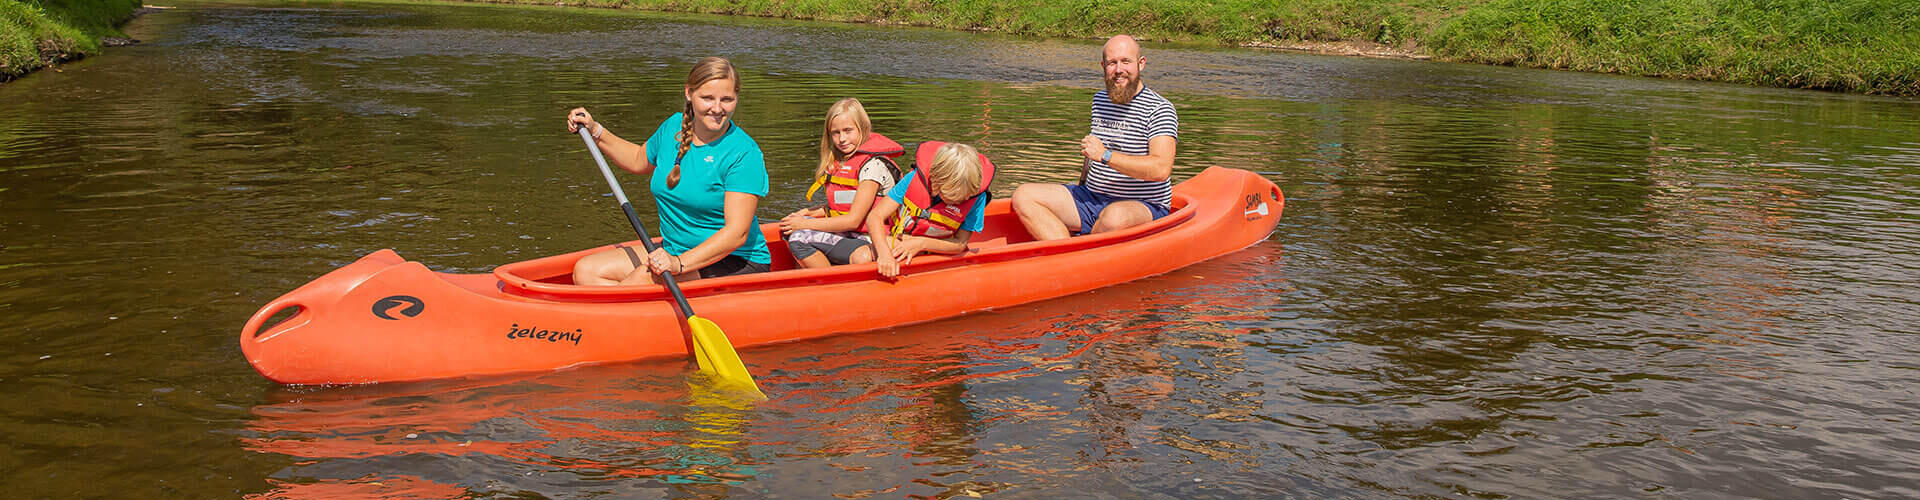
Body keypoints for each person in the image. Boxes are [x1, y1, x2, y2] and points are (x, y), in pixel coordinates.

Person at [563, 57, 772, 286]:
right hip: (675, 249)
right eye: (707, 98)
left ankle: (619, 316)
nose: (717, 108)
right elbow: (637, 160)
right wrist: (595, 131)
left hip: (733, 260)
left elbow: (737, 234)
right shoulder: (674, 126)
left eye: (727, 99)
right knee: (586, 271)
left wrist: (679, 264)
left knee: (634, 285)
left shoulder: (744, 153)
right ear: (689, 93)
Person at [1010, 34, 1178, 241]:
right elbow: (1092, 154)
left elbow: (1161, 169)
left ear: (1141, 64)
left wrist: (1106, 155)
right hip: (1092, 197)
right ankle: (1065, 254)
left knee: (1113, 218)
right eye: (1112, 63)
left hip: (1142, 204)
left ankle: (1077, 252)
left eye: (1126, 62)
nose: (1118, 70)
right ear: (1103, 66)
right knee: (1024, 195)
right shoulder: (1100, 100)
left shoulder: (1160, 109)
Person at [779, 98, 905, 268]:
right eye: (835, 133)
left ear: (863, 128)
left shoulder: (872, 166)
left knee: (799, 237)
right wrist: (806, 213)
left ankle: (830, 284)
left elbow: (853, 220)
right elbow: (843, 204)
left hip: (874, 237)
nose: (842, 139)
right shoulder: (842, 161)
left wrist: (803, 223)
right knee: (788, 230)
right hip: (852, 233)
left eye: (848, 131)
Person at [865, 141, 995, 278]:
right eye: (952, 197)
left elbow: (960, 243)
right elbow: (875, 217)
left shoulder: (977, 197)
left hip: (938, 251)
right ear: (935, 181)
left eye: (965, 198)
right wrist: (884, 255)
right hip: (898, 240)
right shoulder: (913, 180)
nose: (960, 202)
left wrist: (922, 244)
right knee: (861, 256)